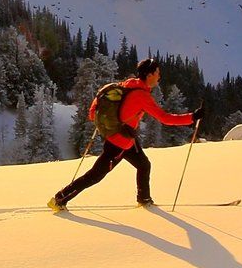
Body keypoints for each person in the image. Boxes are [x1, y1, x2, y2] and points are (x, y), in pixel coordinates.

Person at [50, 58, 203, 211]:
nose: (159, 76)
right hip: (119, 143)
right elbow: (165, 119)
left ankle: (144, 199)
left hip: (127, 139)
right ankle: (59, 198)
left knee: (143, 165)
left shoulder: (129, 85)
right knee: (96, 175)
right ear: (149, 75)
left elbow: (96, 112)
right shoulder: (141, 96)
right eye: (157, 73)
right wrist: (192, 117)